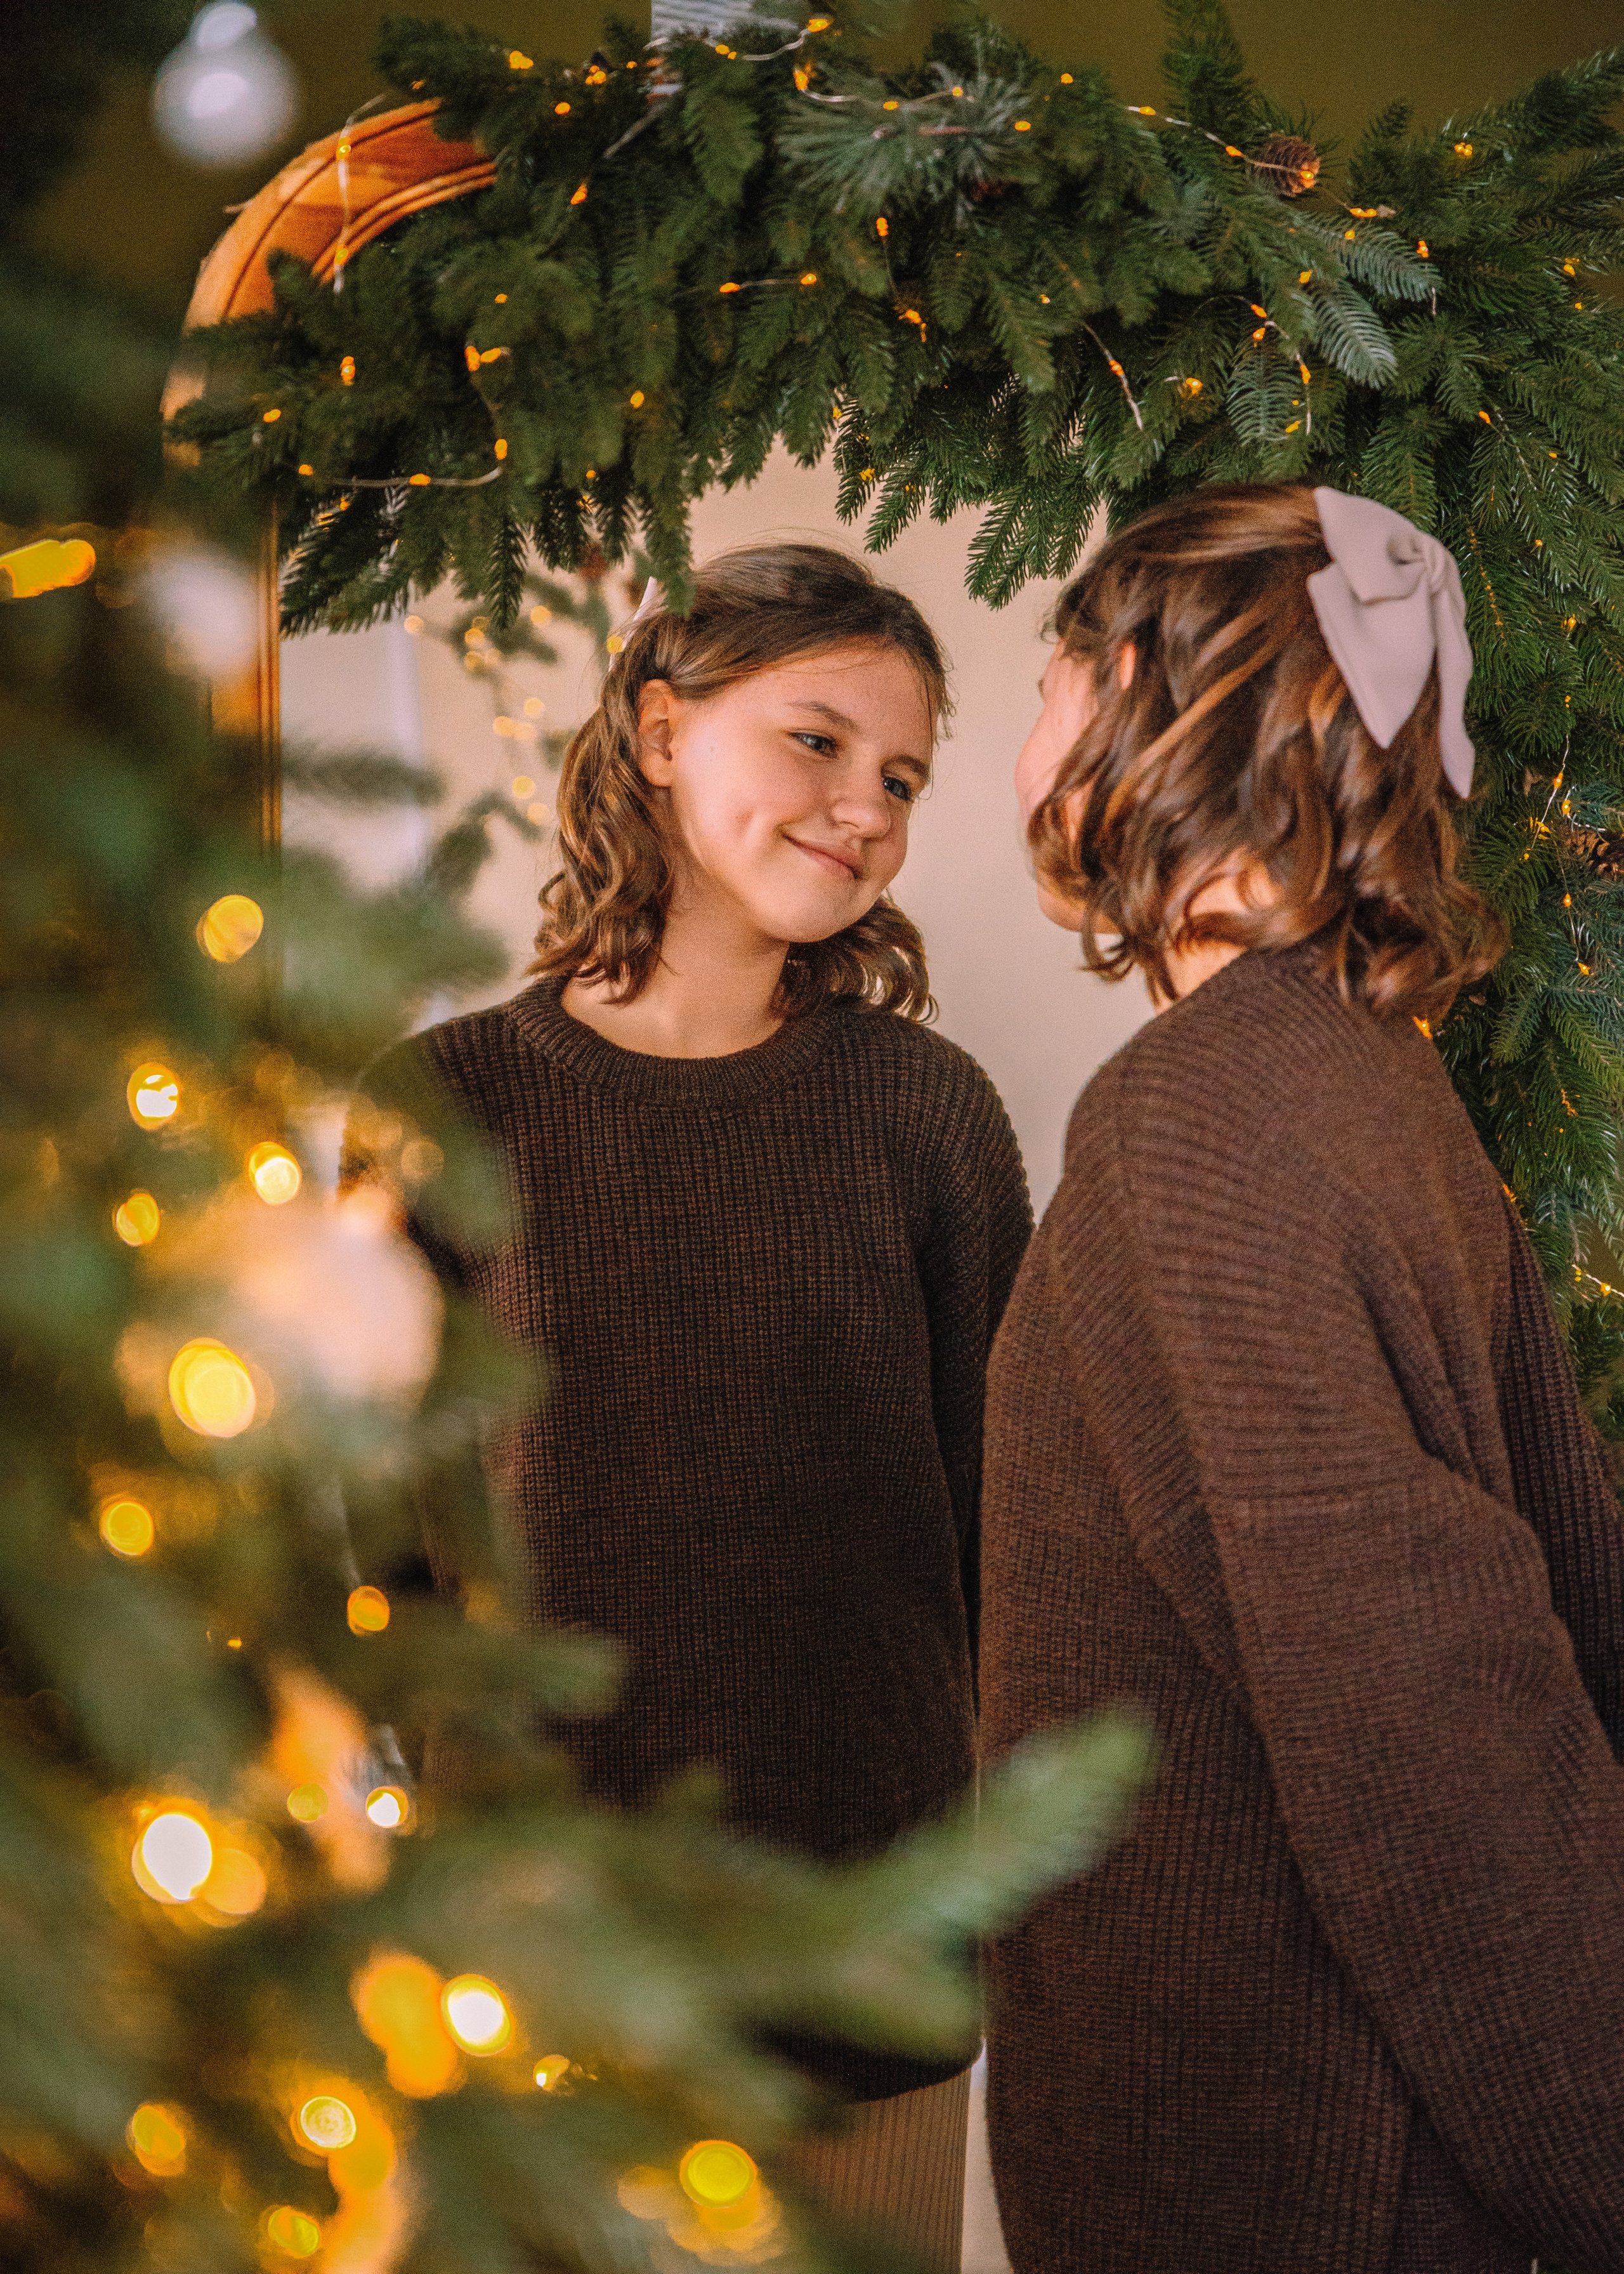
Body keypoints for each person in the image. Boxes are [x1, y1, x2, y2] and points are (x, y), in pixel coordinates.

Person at [355, 542, 1031, 2268]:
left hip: (866, 1916)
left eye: (898, 779)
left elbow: (1011, 1529)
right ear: (661, 730)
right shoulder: (448, 1105)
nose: (862, 809)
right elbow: (369, 1542)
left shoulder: (926, 1116)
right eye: (815, 742)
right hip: (539, 1926)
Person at [980, 482, 1624, 2273]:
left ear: (1132, 695)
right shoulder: (1367, 1079)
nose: (1025, 734)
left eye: (1043, 686)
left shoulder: (1200, 1118)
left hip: (1295, 2179)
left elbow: (1441, 1716)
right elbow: (1583, 1579)